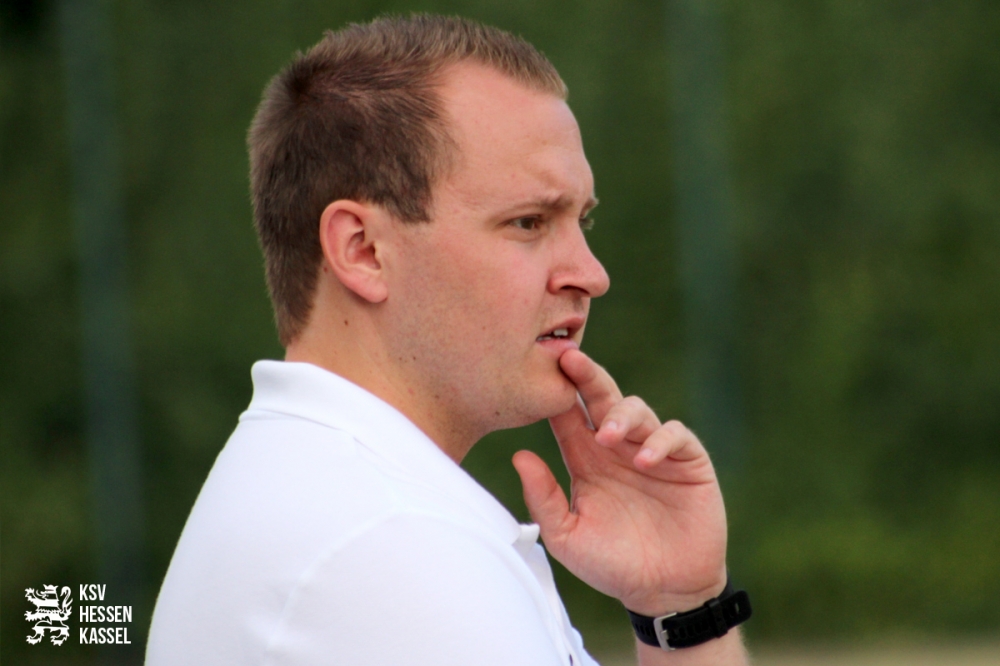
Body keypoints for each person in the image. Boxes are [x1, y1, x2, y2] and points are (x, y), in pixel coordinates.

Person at [145, 14, 749, 666]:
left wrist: (682, 608)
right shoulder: (389, 546)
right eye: (528, 222)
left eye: (583, 222)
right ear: (363, 250)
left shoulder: (330, 497)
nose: (591, 275)